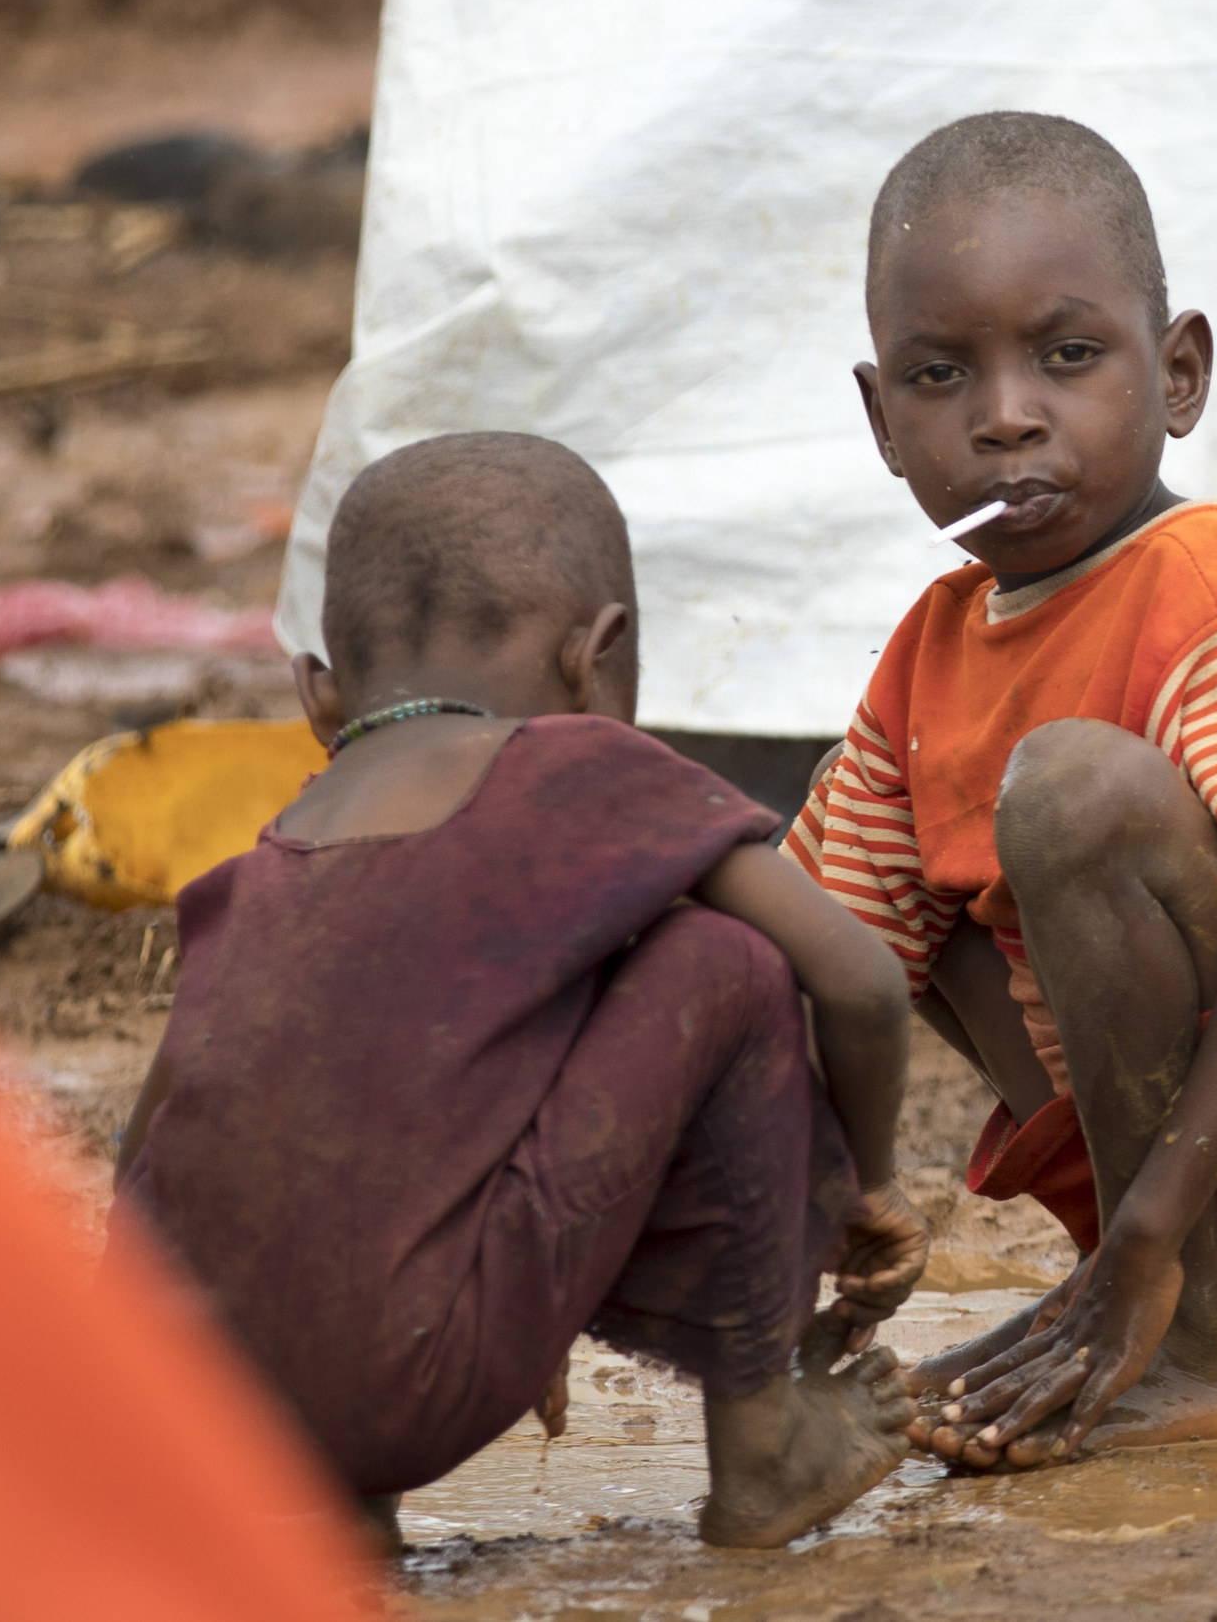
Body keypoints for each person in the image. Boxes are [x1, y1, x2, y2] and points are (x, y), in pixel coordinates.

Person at [785, 112, 1217, 1468]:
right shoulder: (931, 649)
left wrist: (1151, 1234)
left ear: (1177, 374)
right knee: (860, 858)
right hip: (1169, 1205)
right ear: (882, 422)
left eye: (1068, 355)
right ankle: (1142, 1301)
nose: (1005, 414)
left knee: (1066, 786)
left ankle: (1187, 1335)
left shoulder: (1212, 574)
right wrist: (822, 1230)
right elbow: (825, 966)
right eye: (942, 375)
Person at [113, 432, 929, 1548]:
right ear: (596, 654)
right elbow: (863, 980)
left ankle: (340, 1506)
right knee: (719, 965)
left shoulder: (259, 869)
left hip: (182, 1405)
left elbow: (148, 1148)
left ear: (318, 688)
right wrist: (867, 1187)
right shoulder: (579, 765)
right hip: (406, 1377)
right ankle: (765, 1451)